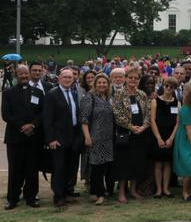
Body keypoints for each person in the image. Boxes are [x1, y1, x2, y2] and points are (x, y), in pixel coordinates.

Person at [2, 65, 44, 209]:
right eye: (21, 74)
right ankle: (12, 198)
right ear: (16, 74)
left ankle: (31, 197)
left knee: (32, 168)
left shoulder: (38, 92)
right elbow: (6, 114)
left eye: (26, 73)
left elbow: (42, 113)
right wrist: (22, 126)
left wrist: (32, 125)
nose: (24, 76)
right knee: (15, 169)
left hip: (33, 137)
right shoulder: (8, 93)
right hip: (15, 137)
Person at [43, 68, 83, 207]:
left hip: (73, 136)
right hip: (58, 138)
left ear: (73, 79)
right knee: (59, 168)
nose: (67, 79)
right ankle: (58, 196)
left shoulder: (74, 93)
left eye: (70, 77)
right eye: (65, 77)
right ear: (59, 79)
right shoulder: (52, 95)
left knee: (71, 167)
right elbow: (47, 120)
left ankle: (67, 192)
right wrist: (51, 139)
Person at [112, 68, 151, 203]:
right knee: (124, 164)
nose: (133, 80)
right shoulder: (119, 94)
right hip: (126, 133)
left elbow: (148, 114)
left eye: (136, 78)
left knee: (137, 163)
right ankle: (122, 192)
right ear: (126, 78)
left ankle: (133, 190)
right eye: (130, 78)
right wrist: (130, 126)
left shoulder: (142, 95)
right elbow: (117, 114)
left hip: (140, 134)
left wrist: (144, 126)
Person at [80, 73, 115, 205]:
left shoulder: (108, 98)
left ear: (108, 84)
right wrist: (87, 137)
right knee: (96, 166)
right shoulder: (89, 98)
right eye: (99, 82)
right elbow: (83, 119)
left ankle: (95, 191)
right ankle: (99, 194)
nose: (102, 85)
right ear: (95, 84)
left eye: (104, 83)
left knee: (104, 165)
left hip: (108, 138)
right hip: (95, 137)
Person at [149, 76, 179, 198]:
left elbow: (178, 122)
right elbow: (152, 120)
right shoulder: (155, 101)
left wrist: (171, 138)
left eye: (171, 87)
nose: (168, 88)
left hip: (170, 135)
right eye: (167, 85)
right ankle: (158, 189)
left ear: (174, 89)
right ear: (163, 86)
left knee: (167, 163)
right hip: (158, 135)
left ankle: (166, 189)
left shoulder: (178, 103)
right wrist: (158, 138)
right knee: (158, 163)